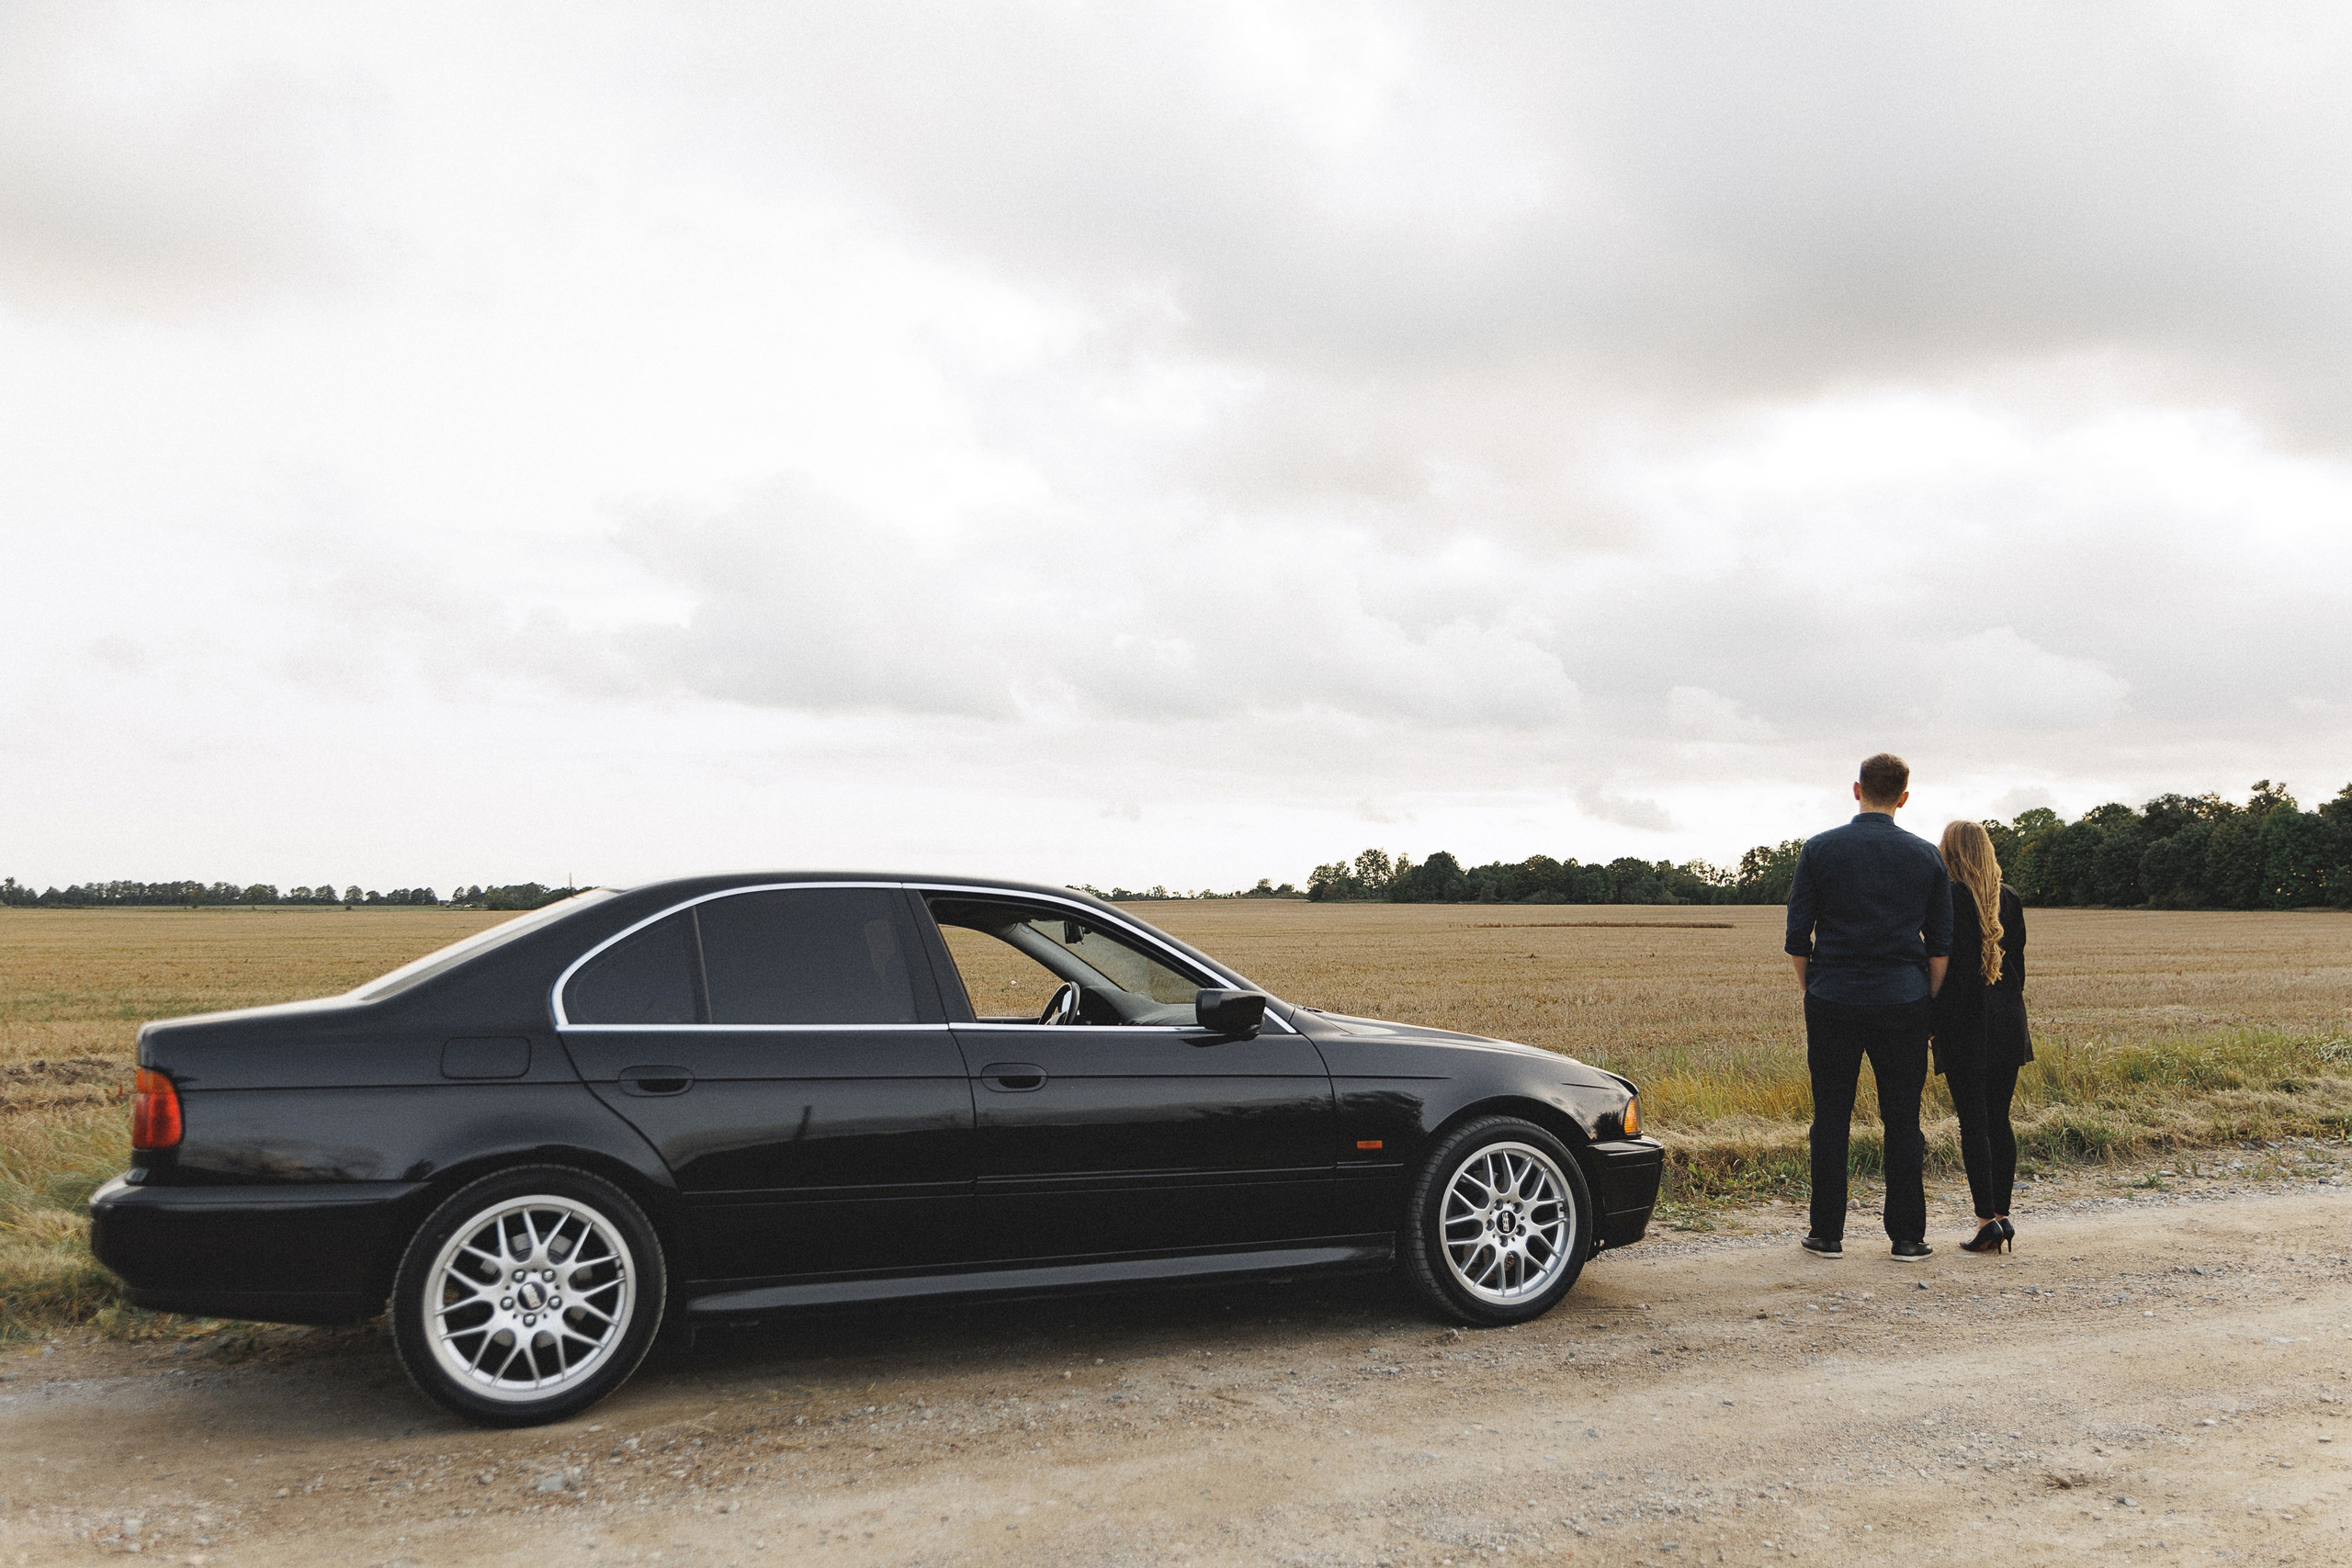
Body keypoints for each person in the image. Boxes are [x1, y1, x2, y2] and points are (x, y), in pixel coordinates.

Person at [1783, 753, 1953, 1262]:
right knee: (1903, 1118)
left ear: (1857, 790)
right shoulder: (1926, 856)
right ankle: (1907, 1237)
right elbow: (1940, 946)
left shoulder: (1819, 849)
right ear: (1904, 797)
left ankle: (1826, 1233)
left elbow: (1797, 938)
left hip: (1833, 996)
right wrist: (1927, 999)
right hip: (1903, 999)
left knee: (1830, 1115)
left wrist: (1812, 989)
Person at [1931, 819, 2033, 1254]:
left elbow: (1939, 963)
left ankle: (1985, 1221)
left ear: (1950, 853)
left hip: (1963, 1022)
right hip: (2008, 1020)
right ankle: (2003, 1216)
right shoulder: (2009, 897)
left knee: (1973, 1123)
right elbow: (2019, 968)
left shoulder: (1947, 897)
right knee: (2000, 1120)